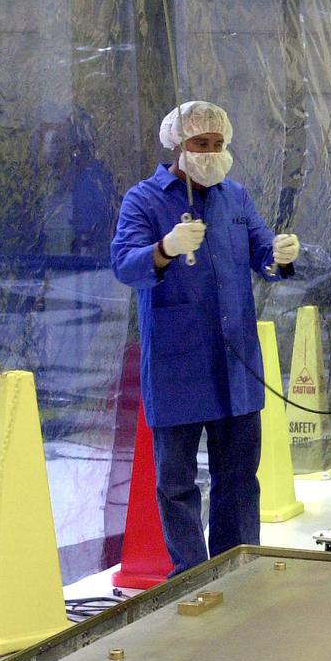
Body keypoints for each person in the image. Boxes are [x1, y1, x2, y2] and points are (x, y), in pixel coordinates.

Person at [111, 101, 301, 575]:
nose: (211, 153)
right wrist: (165, 249)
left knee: (238, 476)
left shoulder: (234, 197)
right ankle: (191, 576)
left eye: (218, 145)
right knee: (176, 481)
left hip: (235, 363)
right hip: (178, 363)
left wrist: (280, 256)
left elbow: (263, 254)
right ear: (178, 143)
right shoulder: (144, 200)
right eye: (201, 144)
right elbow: (124, 265)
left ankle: (239, 567)